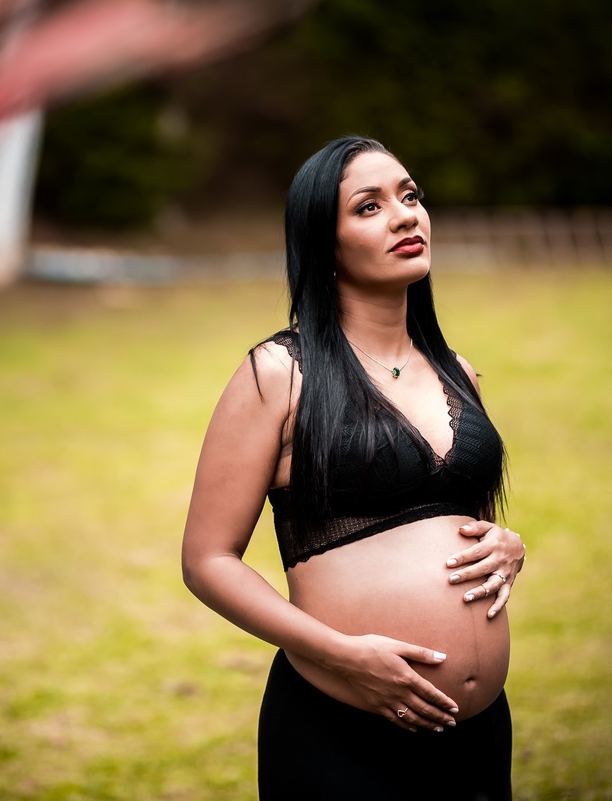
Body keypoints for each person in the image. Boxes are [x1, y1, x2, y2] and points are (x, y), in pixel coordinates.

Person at [181, 136, 526, 800]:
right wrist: (343, 656)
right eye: (369, 207)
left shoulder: (460, 375)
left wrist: (508, 546)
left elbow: (465, 532)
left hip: (477, 740)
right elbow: (208, 560)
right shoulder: (279, 374)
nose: (404, 215)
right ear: (324, 244)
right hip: (340, 730)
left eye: (410, 196)